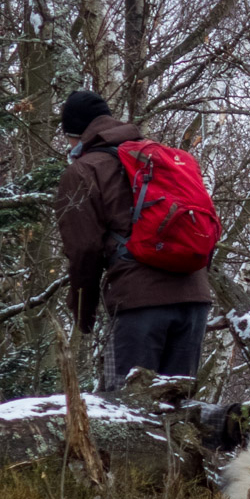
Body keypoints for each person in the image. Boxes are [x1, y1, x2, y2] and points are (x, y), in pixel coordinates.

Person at [54, 89, 212, 386]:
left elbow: (84, 248)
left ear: (75, 135)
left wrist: (82, 310)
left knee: (125, 411)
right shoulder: (162, 158)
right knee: (177, 411)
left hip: (139, 301)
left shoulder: (83, 171)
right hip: (194, 297)